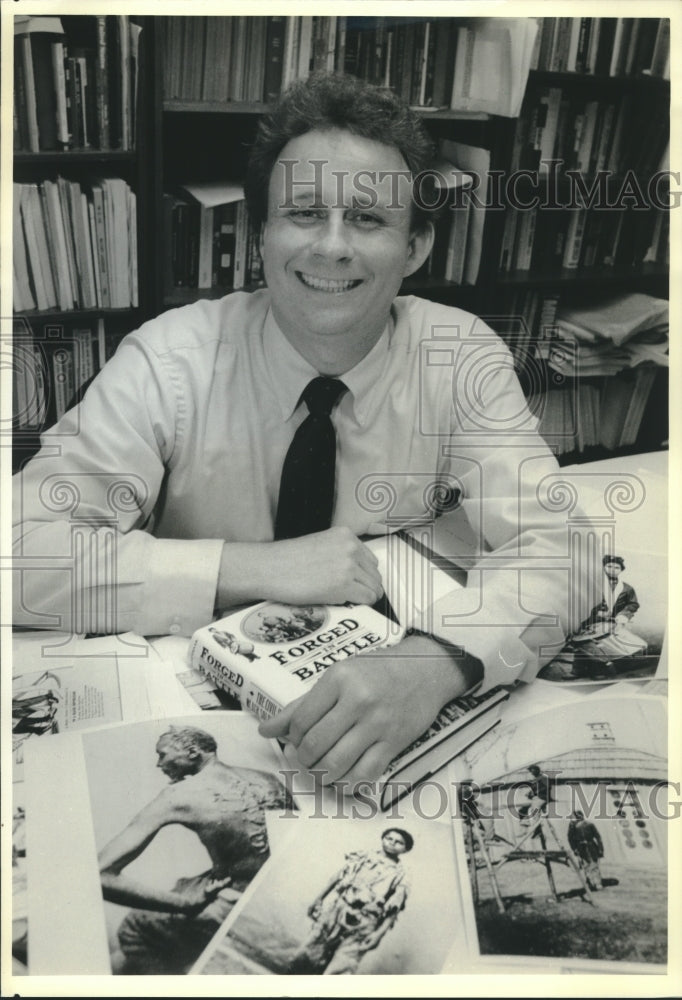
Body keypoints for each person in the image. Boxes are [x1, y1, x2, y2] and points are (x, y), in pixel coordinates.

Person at [12, 72, 597, 786]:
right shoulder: (170, 357)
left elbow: (565, 548)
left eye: (369, 219)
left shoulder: (460, 353)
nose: (332, 246)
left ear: (415, 248)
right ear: (260, 235)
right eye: (303, 213)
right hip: (194, 713)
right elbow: (22, 551)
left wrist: (437, 660)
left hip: (382, 701)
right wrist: (244, 568)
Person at [98, 724, 293, 975]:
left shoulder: (178, 795)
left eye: (163, 754)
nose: (159, 764)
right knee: (186, 884)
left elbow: (101, 873)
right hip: (281, 891)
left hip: (242, 904)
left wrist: (185, 904)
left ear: (192, 752)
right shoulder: (268, 779)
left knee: (134, 928)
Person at [289, 827, 412, 975]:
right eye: (389, 838)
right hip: (338, 908)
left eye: (399, 842)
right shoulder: (363, 856)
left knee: (343, 964)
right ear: (382, 838)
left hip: (365, 921)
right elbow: (338, 877)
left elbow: (394, 909)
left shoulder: (401, 874)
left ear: (405, 850)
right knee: (311, 949)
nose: (392, 843)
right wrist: (318, 899)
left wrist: (379, 934)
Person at [567, 810, 604, 890]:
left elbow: (598, 837)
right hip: (581, 849)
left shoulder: (589, 825)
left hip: (592, 847)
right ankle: (590, 883)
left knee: (594, 865)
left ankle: (597, 883)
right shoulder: (572, 827)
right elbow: (570, 839)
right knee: (586, 866)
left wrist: (600, 849)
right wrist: (575, 849)